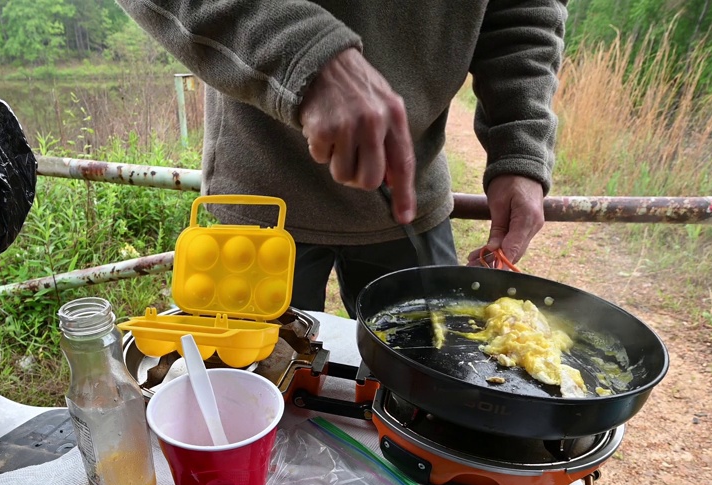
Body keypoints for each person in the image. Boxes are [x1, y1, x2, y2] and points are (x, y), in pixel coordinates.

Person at [115, 1, 565, 317]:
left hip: (410, 198)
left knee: (433, 388)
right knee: (241, 398)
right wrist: (302, 54)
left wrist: (520, 146)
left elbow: (523, 12)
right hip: (258, 203)